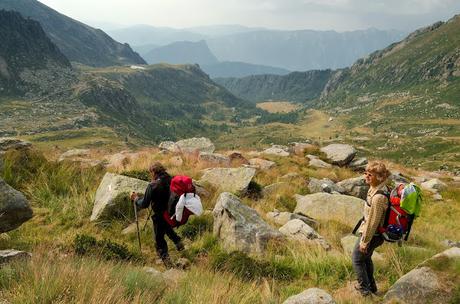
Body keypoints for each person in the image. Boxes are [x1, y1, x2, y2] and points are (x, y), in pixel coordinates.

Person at [130, 162, 184, 268]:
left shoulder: (153, 185)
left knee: (159, 239)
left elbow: (144, 204)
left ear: (154, 172)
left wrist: (136, 199)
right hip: (170, 212)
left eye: (151, 173)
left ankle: (166, 261)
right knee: (167, 227)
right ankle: (179, 243)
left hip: (159, 215)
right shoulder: (171, 179)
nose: (150, 175)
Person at [352, 161, 391, 296]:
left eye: (370, 175)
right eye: (365, 173)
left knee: (357, 259)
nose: (366, 177)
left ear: (379, 177)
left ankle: (365, 292)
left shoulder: (379, 197)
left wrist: (365, 241)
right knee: (366, 259)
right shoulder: (374, 188)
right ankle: (372, 287)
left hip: (372, 235)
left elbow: (373, 222)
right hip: (371, 233)